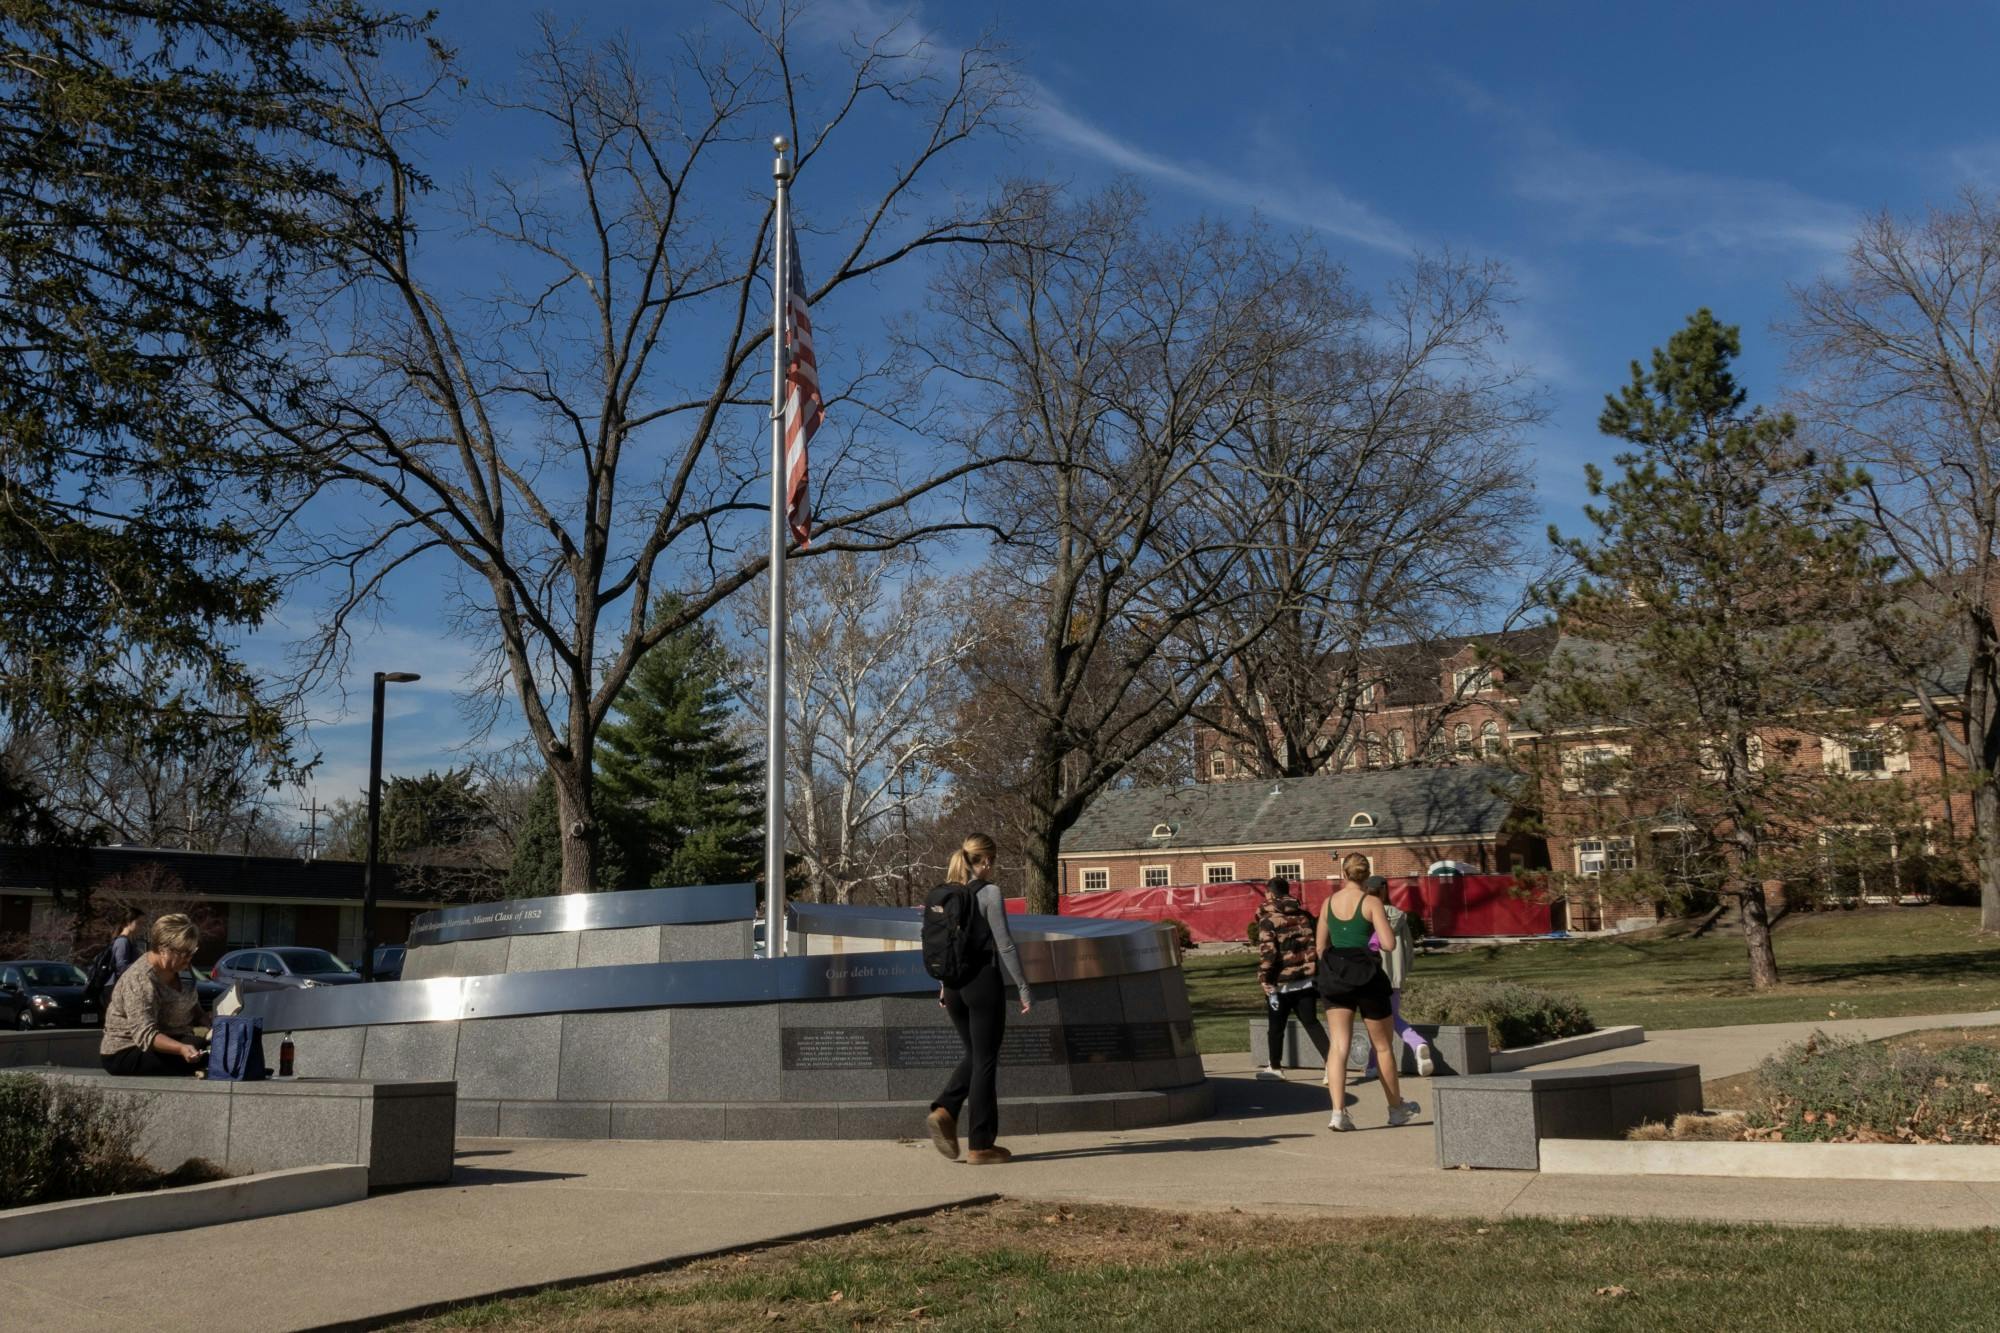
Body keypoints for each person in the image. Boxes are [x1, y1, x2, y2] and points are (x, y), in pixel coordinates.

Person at [926, 834, 1031, 1165]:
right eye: (991, 860)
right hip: (982, 983)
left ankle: (946, 1108)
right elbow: (1006, 945)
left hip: (954, 986)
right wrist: (1024, 987)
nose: (992, 866)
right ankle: (980, 1145)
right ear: (983, 861)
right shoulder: (989, 893)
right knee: (985, 1060)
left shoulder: (947, 894)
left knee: (975, 1054)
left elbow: (947, 946)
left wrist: (944, 984)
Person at [1315, 854, 1420, 1131]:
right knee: (1383, 1046)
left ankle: (1338, 1113)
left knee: (1338, 1046)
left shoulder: (1328, 904)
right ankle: (1396, 1109)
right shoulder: (1372, 902)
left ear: (1343, 873)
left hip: (1336, 978)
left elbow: (1320, 947)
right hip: (1368, 978)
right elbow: (1387, 943)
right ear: (1367, 875)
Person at [100, 913, 208, 1076]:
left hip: (176, 1039)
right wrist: (180, 1048)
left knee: (211, 1046)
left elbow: (192, 1006)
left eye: (192, 951)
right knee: (206, 1057)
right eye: (184, 952)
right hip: (129, 1050)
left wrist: (209, 1022)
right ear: (164, 950)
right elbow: (145, 1034)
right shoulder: (140, 978)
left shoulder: (181, 969)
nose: (189, 958)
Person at [1253, 877, 1330, 1080]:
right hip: (1306, 978)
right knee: (1311, 1022)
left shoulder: (1268, 921)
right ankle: (1332, 1064)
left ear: (1269, 893)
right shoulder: (1304, 916)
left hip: (1280, 982)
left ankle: (1276, 1067)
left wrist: (1264, 978)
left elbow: (1268, 954)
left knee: (1276, 1026)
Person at [1362, 874, 1435, 1078]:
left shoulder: (1365, 914)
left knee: (1380, 1020)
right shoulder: (1400, 916)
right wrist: (1404, 971)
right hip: (1394, 978)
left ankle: (1415, 1042)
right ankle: (1372, 1063)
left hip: (1372, 976)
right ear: (1386, 890)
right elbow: (1408, 948)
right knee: (1385, 1018)